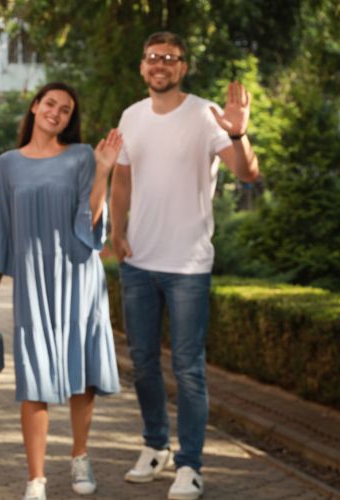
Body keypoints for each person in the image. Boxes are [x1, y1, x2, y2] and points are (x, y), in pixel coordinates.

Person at [110, 32, 259, 500]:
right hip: (139, 263)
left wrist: (237, 132)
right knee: (145, 364)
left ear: (182, 68)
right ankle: (156, 446)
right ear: (142, 65)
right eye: (153, 57)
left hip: (189, 264)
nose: (160, 65)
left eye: (170, 59)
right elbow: (122, 179)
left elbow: (246, 172)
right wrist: (117, 230)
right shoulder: (131, 116)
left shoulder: (204, 113)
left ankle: (190, 465)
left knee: (190, 369)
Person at [0, 82, 122, 499]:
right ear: (35, 106)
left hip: (80, 278)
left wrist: (103, 170)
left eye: (65, 109)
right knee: (33, 378)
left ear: (69, 118)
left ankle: (80, 457)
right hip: (32, 283)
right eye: (50, 103)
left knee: (81, 377)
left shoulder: (80, 157)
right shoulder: (8, 163)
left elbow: (90, 219)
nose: (56, 112)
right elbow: (2, 228)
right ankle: (36, 478)